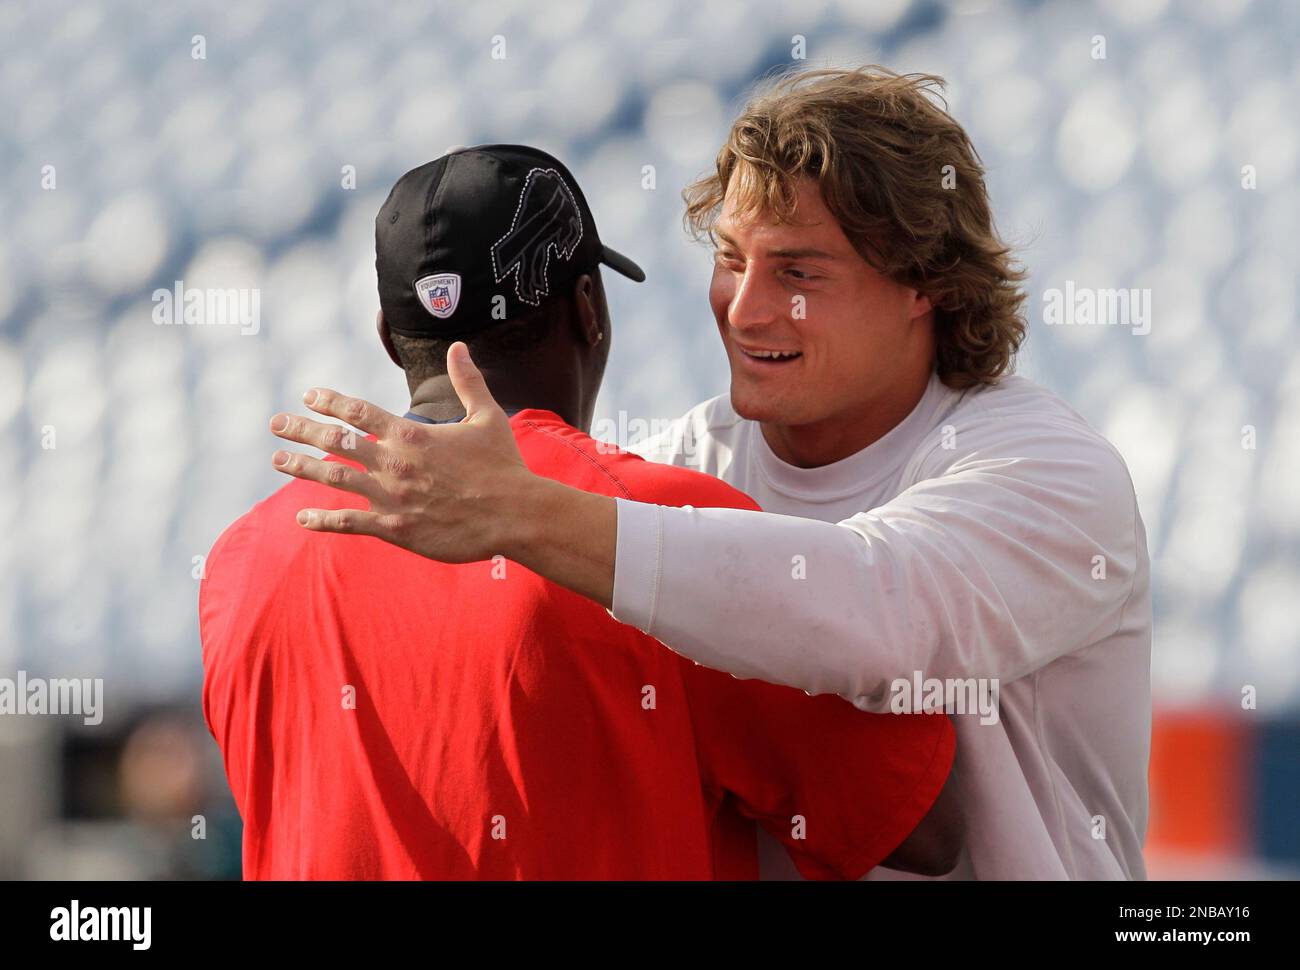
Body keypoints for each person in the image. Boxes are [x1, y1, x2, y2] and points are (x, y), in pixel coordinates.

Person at [268, 68, 1153, 880]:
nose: (746, 306)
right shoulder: (689, 464)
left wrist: (528, 515)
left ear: (928, 283)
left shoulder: (1051, 471)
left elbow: (880, 614)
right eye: (731, 259)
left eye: (798, 272)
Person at [204, 144, 958, 879]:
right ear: (589, 309)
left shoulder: (242, 562)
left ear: (392, 341)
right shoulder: (660, 523)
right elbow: (924, 828)